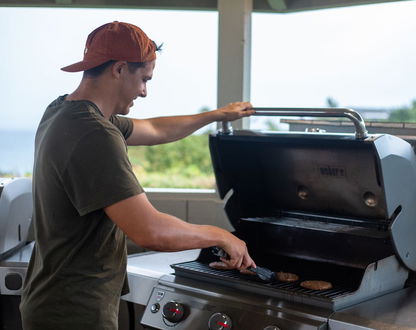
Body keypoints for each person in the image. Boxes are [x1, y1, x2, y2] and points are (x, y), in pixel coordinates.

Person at [20, 21, 256, 330]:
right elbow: (150, 231)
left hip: (53, 301)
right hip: (74, 311)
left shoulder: (63, 111)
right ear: (119, 69)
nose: (144, 92)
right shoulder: (93, 133)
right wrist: (223, 236)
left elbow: (156, 129)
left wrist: (217, 115)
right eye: (144, 79)